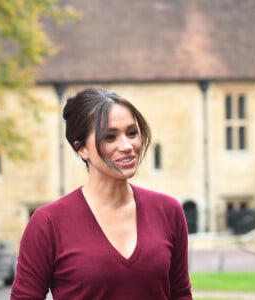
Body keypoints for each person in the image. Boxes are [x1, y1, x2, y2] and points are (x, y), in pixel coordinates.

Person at [11, 87, 192, 299]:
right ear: (81, 149)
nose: (126, 146)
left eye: (131, 133)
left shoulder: (168, 211)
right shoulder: (48, 223)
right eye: (110, 137)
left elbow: (180, 294)